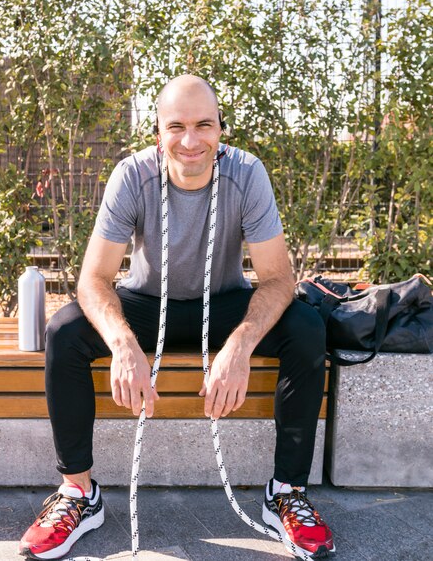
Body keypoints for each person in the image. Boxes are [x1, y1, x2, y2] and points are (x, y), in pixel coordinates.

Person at [19, 74, 335, 560]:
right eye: (177, 127)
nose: (191, 141)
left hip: (225, 303)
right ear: (158, 133)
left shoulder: (247, 174)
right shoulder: (133, 175)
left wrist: (240, 346)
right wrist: (124, 344)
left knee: (306, 327)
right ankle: (78, 493)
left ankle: (286, 493)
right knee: (65, 330)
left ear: (221, 130)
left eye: (204, 125)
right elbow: (93, 279)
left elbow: (277, 279)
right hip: (148, 303)